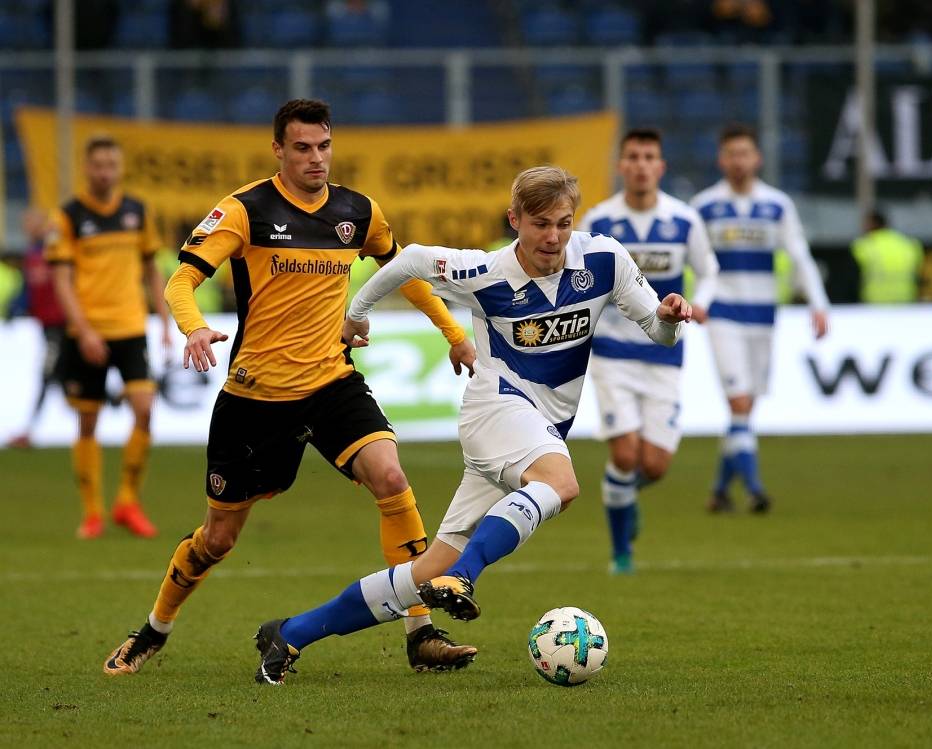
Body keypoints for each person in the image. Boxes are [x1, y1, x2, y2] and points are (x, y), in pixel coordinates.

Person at [250, 165, 692, 684]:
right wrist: (358, 312)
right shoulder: (485, 272)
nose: (553, 237)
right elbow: (410, 259)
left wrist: (668, 317)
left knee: (426, 571)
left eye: (563, 223)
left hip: (541, 427)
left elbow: (657, 330)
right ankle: (463, 578)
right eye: (540, 224)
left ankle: (291, 633)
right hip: (496, 409)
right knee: (561, 484)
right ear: (514, 220)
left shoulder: (604, 259)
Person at [102, 99, 480, 677]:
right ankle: (154, 628)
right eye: (302, 148)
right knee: (218, 539)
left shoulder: (358, 211)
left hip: (331, 383)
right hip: (255, 399)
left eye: (323, 146)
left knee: (390, 477)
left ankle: (420, 632)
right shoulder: (244, 210)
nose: (316, 158)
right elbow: (181, 282)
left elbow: (405, 273)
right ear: (278, 149)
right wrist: (195, 326)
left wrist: (454, 335)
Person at [581, 127, 719, 574]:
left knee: (655, 466)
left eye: (649, 157)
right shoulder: (599, 221)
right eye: (633, 157)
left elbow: (708, 270)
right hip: (612, 351)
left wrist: (701, 303)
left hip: (665, 352)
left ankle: (621, 498)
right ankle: (621, 553)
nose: (641, 165)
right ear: (621, 165)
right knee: (624, 455)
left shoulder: (684, 220)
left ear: (661, 166)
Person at [690, 123, 828, 513]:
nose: (738, 161)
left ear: (757, 158)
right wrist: (698, 301)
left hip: (764, 316)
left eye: (745, 153)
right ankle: (754, 489)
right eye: (731, 154)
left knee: (745, 409)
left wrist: (818, 304)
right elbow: (696, 261)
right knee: (738, 403)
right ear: (721, 160)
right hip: (723, 314)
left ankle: (720, 492)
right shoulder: (704, 206)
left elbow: (799, 255)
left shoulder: (777, 205)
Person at [46, 136, 170, 540]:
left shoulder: (137, 211)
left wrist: (164, 322)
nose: (105, 173)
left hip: (131, 327)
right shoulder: (67, 216)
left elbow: (151, 269)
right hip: (89, 332)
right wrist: (84, 331)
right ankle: (92, 512)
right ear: (87, 168)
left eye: (111, 165)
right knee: (88, 421)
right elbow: (61, 280)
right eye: (98, 165)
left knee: (145, 409)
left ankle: (127, 501)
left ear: (119, 168)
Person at [6, 208, 67, 449]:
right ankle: (112, 401)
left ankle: (29, 429)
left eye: (32, 223)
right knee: (62, 376)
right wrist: (15, 307)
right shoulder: (31, 255)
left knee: (48, 373)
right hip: (46, 324)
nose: (27, 228)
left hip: (62, 324)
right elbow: (28, 290)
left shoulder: (56, 251)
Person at [851, 209, 923, 304]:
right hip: (905, 301)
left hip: (875, 303)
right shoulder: (908, 245)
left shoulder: (864, 246)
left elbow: (851, 276)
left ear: (872, 224)